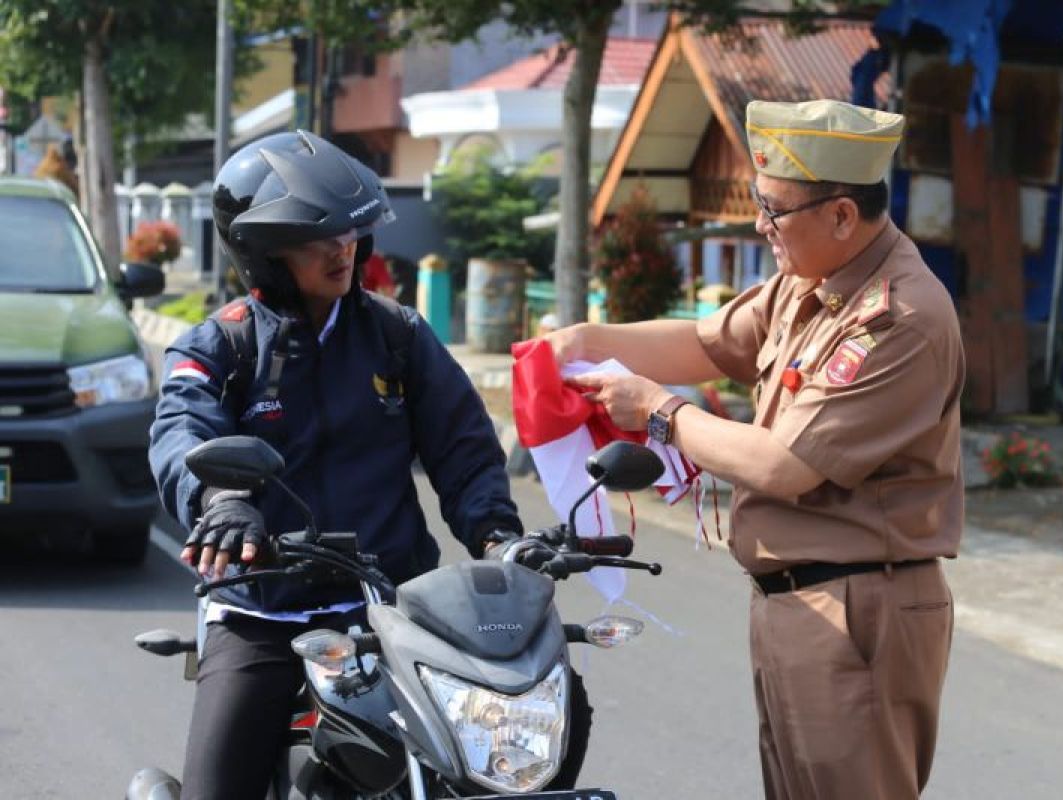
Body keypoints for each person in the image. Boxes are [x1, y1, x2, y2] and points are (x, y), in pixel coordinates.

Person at [547, 99, 963, 800]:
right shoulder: (815, 279)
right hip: (795, 602)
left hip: (857, 609)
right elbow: (710, 341)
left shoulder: (897, 318)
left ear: (840, 215)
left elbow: (783, 465)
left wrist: (659, 412)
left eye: (776, 211)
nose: (762, 227)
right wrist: (592, 339)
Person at [148, 129, 523, 800]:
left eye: (350, 233)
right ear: (263, 251)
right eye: (318, 235)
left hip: (392, 610)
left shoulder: (397, 335)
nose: (343, 248)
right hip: (263, 611)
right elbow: (182, 429)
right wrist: (223, 503)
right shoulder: (220, 346)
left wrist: (498, 534)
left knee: (480, 769)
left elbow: (462, 443)